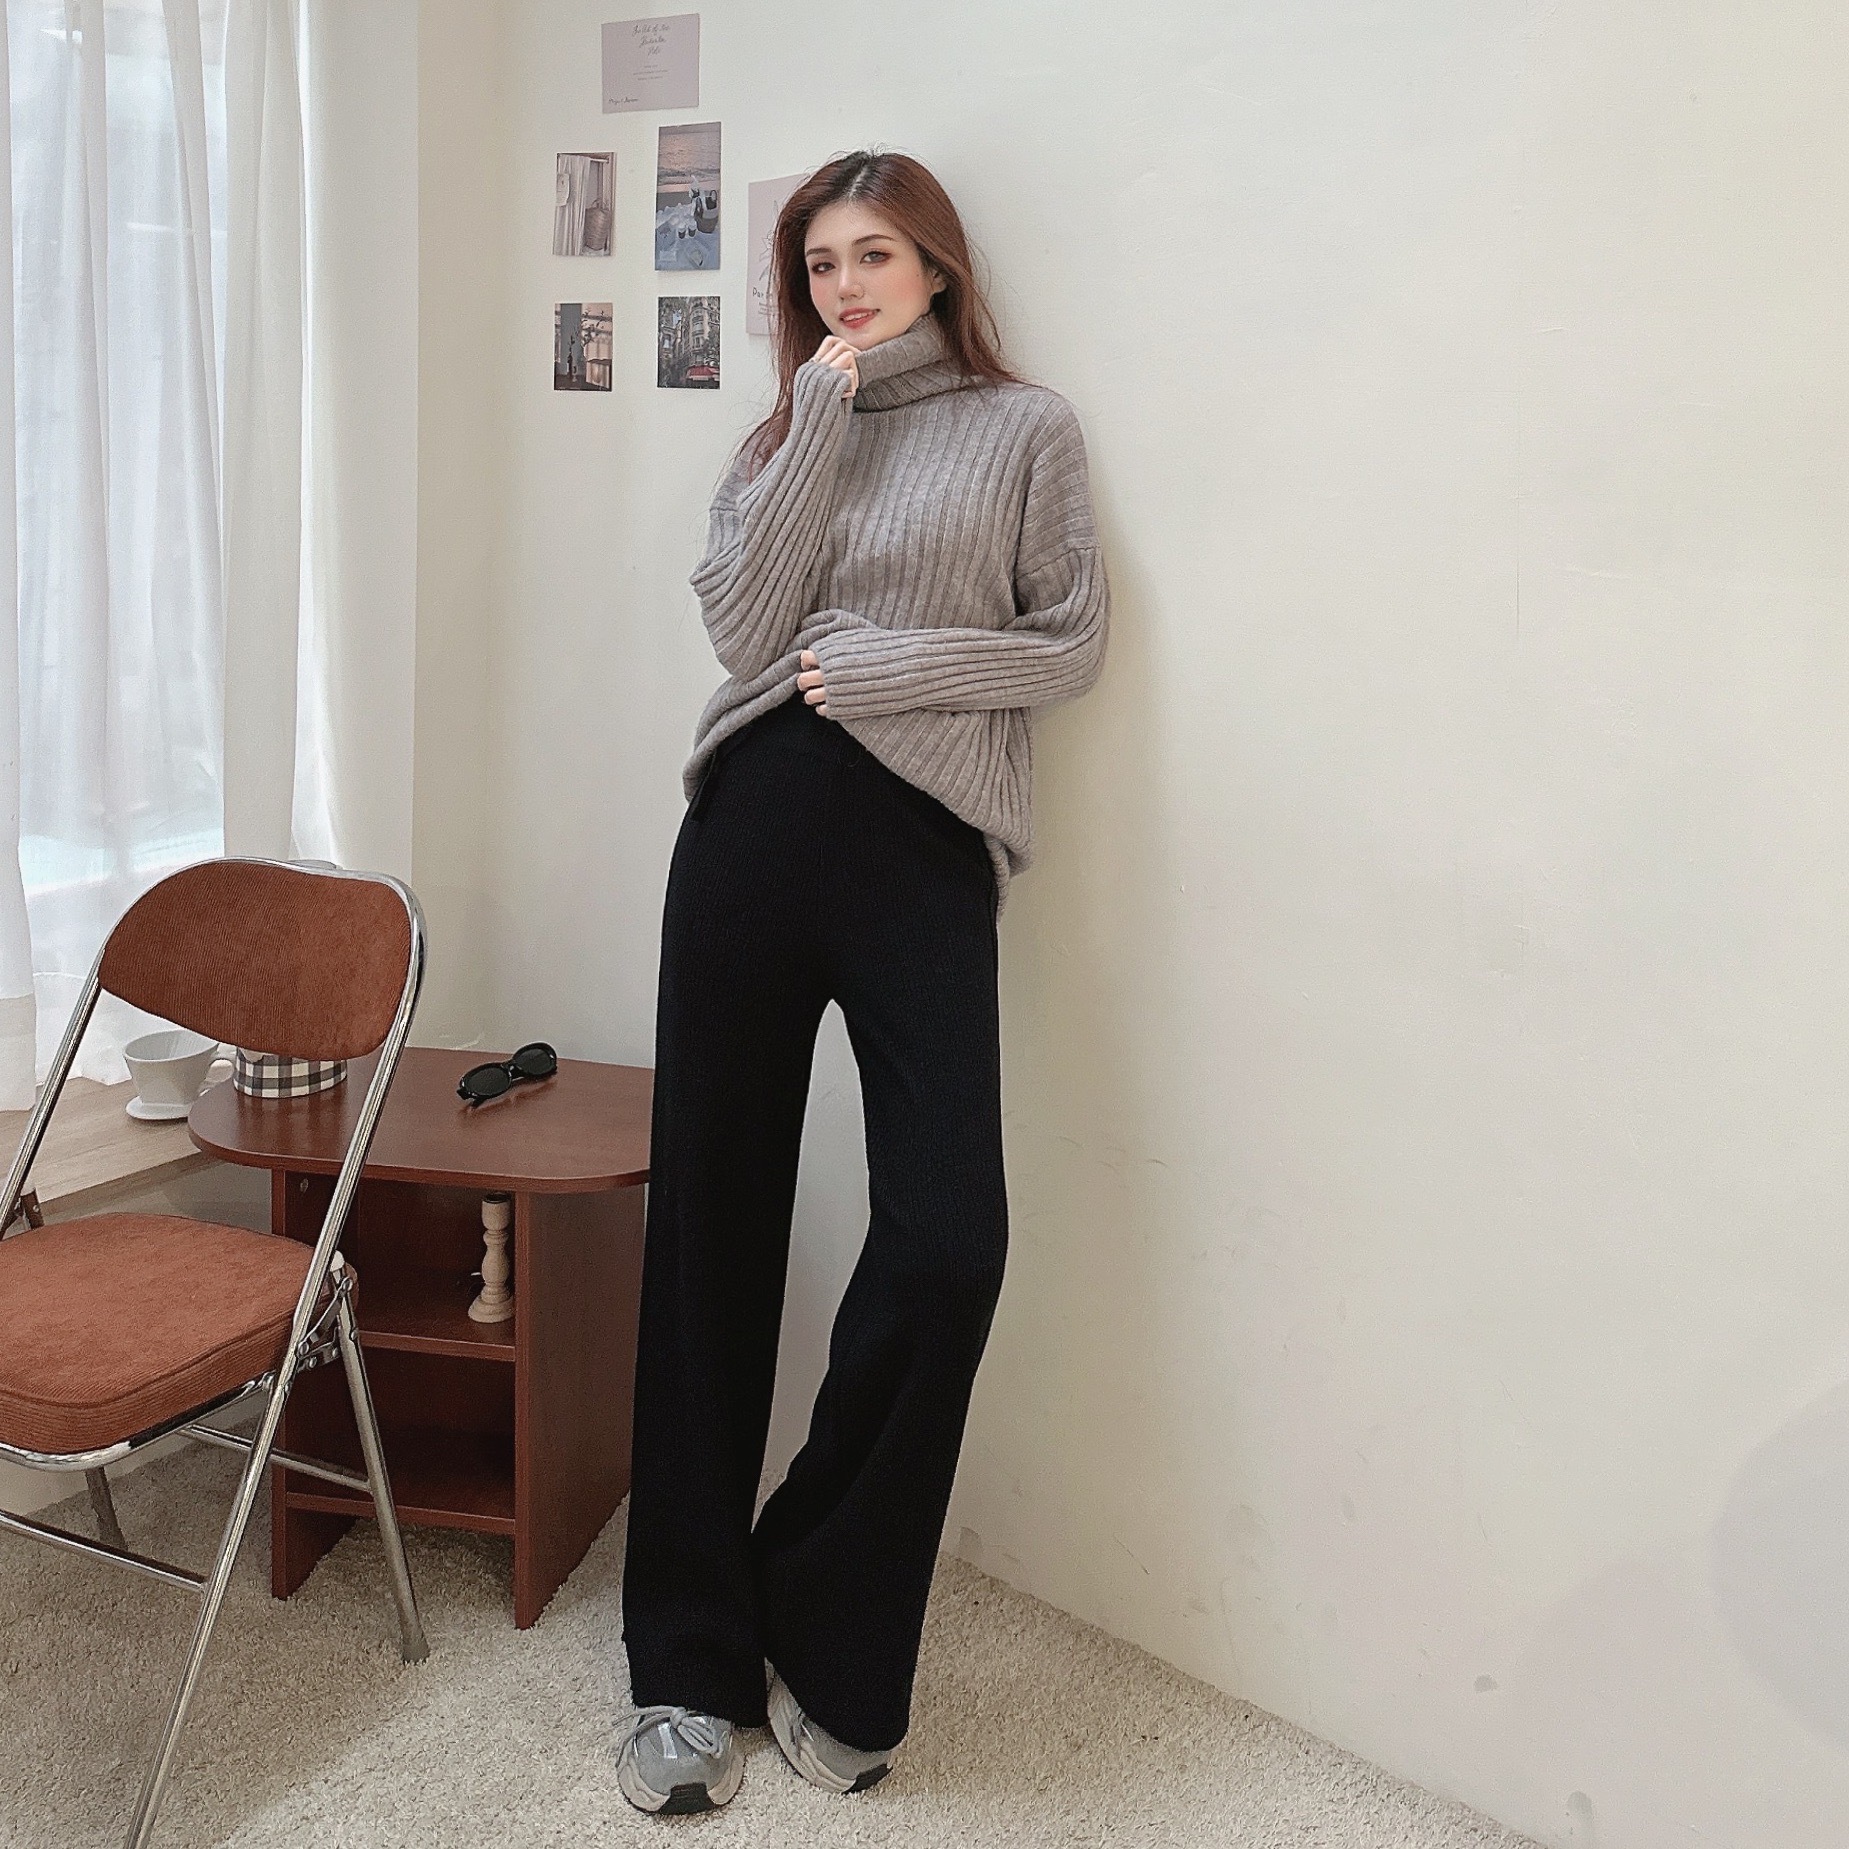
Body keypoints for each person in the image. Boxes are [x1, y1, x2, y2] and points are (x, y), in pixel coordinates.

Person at [616, 147, 1110, 1816]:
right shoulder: (782, 435)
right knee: (710, 1233)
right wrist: (818, 414)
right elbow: (743, 633)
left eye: (874, 255)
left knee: (949, 1236)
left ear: (937, 267)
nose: (845, 285)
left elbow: (1068, 640)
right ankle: (685, 1654)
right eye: (820, 263)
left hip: (921, 849)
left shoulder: (1023, 429)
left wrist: (893, 661)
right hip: (750, 830)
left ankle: (820, 1607)